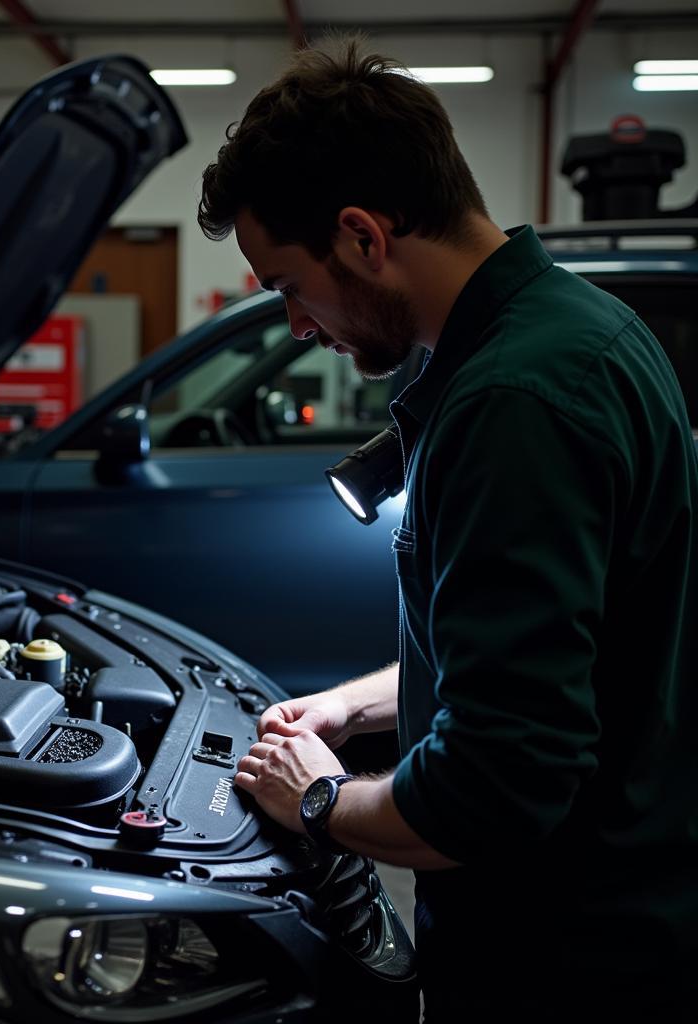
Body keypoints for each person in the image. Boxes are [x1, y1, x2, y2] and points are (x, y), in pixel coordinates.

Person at [197, 36, 698, 1020]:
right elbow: (546, 649)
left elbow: (492, 789)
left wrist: (316, 798)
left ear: (361, 235)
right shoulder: (580, 330)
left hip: (562, 965)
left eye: (287, 285)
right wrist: (353, 708)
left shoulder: (514, 401)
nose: (296, 325)